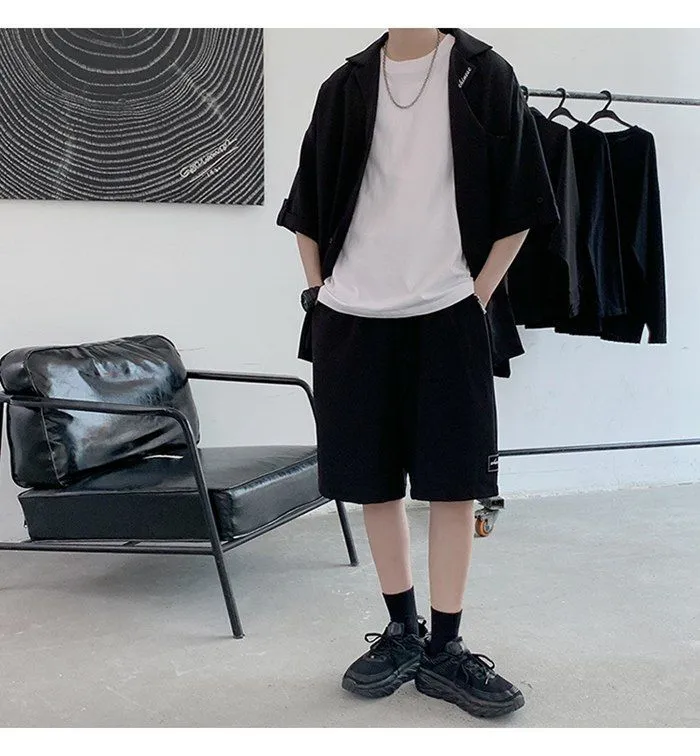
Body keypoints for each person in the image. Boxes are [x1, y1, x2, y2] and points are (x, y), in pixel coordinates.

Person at [277, 28, 558, 719]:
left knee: (456, 484)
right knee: (373, 483)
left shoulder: (484, 75)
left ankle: (446, 649)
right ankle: (402, 631)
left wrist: (478, 296)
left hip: (448, 313)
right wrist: (319, 293)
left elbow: (524, 195)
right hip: (353, 316)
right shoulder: (345, 85)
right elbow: (307, 202)